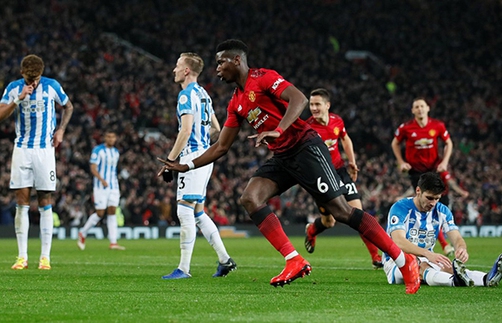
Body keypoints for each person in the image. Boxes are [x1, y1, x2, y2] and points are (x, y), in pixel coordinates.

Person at [159, 39, 420, 293]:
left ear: (236, 60)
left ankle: (402, 260)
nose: (216, 68)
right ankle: (294, 259)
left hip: (306, 147)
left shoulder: (263, 77)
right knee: (250, 198)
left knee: (341, 212)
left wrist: (279, 129)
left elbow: (299, 99)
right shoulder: (236, 102)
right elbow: (221, 147)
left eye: (220, 62)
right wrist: (185, 165)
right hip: (283, 158)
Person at [157, 52, 236, 279]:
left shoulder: (185, 95)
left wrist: (171, 161)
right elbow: (217, 129)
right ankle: (225, 260)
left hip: (192, 157)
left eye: (177, 65)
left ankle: (183, 269)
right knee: (199, 213)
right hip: (205, 155)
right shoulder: (203, 94)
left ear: (186, 71)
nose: (174, 69)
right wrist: (202, 142)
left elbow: (186, 130)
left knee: (184, 211)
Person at [0, 54, 74, 270]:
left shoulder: (51, 86)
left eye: (37, 78)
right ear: (22, 73)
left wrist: (61, 130)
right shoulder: (14, 88)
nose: (33, 83)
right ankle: (22, 257)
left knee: (45, 200)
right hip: (22, 149)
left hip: (44, 150)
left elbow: (68, 106)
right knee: (21, 202)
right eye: (30, 78)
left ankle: (45, 257)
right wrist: (18, 99)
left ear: (42, 73)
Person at [383, 172, 502, 288]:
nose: (433, 203)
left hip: (426, 258)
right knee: (420, 266)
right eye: (429, 198)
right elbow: (399, 242)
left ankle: (486, 279)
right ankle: (454, 281)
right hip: (396, 261)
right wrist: (427, 254)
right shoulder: (400, 208)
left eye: (437, 198)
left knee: (450, 268)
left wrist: (461, 248)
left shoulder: (442, 211)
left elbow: (456, 238)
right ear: (418, 191)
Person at [304, 88, 382, 268]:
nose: (314, 108)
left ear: (327, 105)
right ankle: (312, 230)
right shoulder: (307, 128)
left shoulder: (337, 120)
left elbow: (345, 139)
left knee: (359, 214)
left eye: (317, 104)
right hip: (322, 177)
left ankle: (375, 257)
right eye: (311, 104)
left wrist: (352, 162)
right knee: (329, 222)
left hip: (340, 171)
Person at [391, 97, 456, 257]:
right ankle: (444, 244)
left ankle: (442, 242)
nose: (419, 109)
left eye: (422, 106)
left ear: (428, 108)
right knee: (424, 203)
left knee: (437, 203)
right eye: (416, 107)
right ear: (413, 111)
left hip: (434, 169)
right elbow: (395, 143)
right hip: (417, 171)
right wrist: (401, 162)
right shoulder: (406, 128)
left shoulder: (437, 125)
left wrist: (445, 162)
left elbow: (449, 143)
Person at [77, 130, 126, 250]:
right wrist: (101, 179)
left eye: (113, 137)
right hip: (100, 186)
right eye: (108, 137)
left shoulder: (115, 152)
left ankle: (113, 242)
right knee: (100, 213)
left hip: (113, 185)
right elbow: (93, 168)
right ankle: (83, 232)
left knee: (112, 211)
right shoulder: (98, 150)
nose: (111, 139)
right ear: (105, 138)